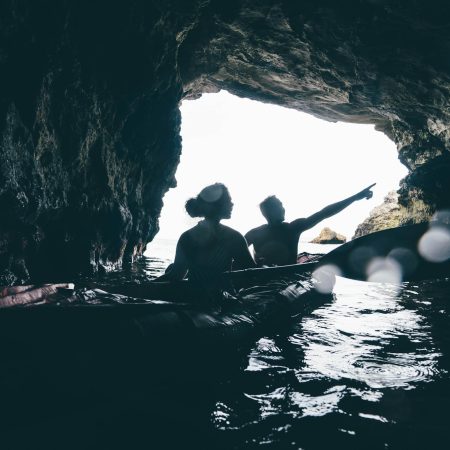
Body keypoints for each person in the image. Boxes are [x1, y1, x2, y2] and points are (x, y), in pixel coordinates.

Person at [245, 183, 376, 267]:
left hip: (261, 277)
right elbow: (325, 213)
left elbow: (235, 254)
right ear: (271, 211)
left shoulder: (253, 233)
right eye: (280, 206)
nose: (283, 209)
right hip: (287, 277)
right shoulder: (292, 228)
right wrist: (355, 197)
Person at [156, 183, 256, 288]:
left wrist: (144, 285)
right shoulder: (233, 237)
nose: (232, 204)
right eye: (228, 201)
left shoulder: (186, 237)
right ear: (216, 205)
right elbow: (253, 273)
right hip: (222, 299)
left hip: (192, 298)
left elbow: (176, 275)